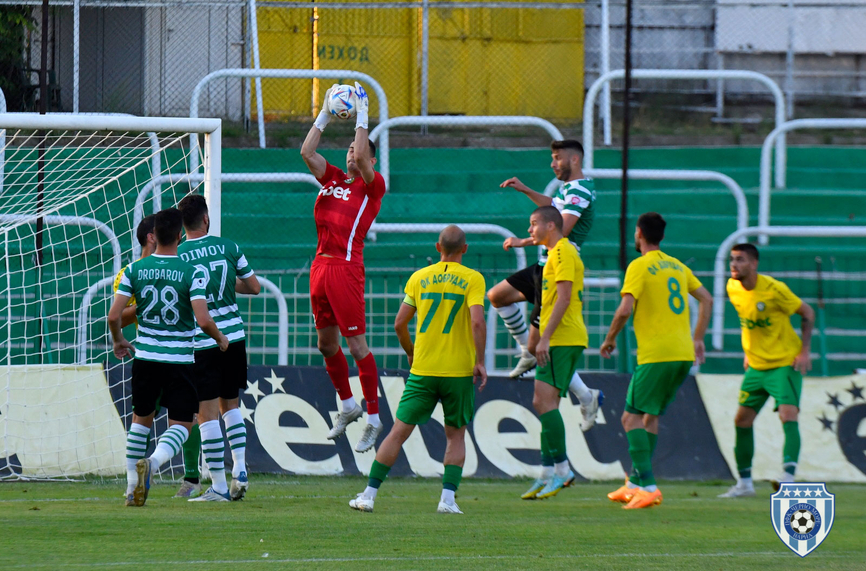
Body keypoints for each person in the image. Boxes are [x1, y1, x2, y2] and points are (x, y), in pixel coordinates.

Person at [349, 225, 486, 514]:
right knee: (456, 435)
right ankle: (447, 500)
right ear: (465, 249)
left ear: (438, 248)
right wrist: (480, 361)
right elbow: (476, 322)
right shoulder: (473, 279)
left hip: (423, 370)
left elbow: (399, 323)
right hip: (458, 372)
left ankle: (368, 495)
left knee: (398, 432)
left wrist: (411, 352)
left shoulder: (419, 278)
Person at [108, 208, 229, 507]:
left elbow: (113, 315)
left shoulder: (134, 271)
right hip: (179, 360)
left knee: (140, 422)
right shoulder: (192, 272)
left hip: (146, 358)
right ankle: (155, 462)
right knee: (182, 426)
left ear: (154, 236)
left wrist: (119, 340)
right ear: (178, 236)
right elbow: (203, 320)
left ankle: (131, 489)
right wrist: (220, 337)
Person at [487, 140, 602, 432]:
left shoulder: (581, 190)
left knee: (541, 352)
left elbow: (559, 228)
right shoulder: (567, 190)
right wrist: (525, 189)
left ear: (574, 159)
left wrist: (521, 240)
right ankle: (531, 352)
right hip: (544, 264)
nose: (553, 164)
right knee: (497, 296)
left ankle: (584, 396)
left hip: (555, 267)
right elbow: (551, 210)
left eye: (557, 158)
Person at [601, 212, 712, 509]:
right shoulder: (677, 266)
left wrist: (610, 338)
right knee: (651, 417)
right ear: (661, 236)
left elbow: (625, 309)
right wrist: (698, 337)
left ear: (638, 233)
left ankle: (648, 485)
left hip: (656, 355)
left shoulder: (639, 266)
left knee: (629, 417)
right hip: (683, 354)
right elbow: (707, 299)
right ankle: (635, 482)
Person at [301, 82, 386, 453]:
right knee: (325, 343)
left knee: (356, 345)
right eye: (350, 149)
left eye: (358, 150)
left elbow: (366, 162)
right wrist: (324, 114)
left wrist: (363, 117)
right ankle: (348, 406)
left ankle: (374, 417)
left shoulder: (373, 186)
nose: (353, 154)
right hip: (320, 265)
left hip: (347, 269)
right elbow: (307, 151)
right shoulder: (334, 177)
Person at [177, 194, 261, 502]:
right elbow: (254, 286)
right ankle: (240, 466)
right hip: (235, 337)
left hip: (202, 341)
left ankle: (220, 487)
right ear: (206, 219)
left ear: (183, 225)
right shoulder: (229, 247)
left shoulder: (179, 255)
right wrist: (227, 287)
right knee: (232, 405)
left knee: (207, 414)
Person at [718, 243, 814, 498]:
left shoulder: (775, 290)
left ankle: (789, 478)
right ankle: (745, 484)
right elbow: (749, 323)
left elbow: (807, 312)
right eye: (732, 260)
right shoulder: (732, 287)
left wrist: (804, 351)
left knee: (787, 415)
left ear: (754, 264)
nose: (734, 265)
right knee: (742, 420)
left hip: (784, 363)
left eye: (740, 260)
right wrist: (749, 353)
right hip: (757, 367)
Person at [519, 207, 587, 500]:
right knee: (546, 404)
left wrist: (544, 339)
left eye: (533, 224)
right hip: (555, 338)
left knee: (543, 402)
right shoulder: (554, 255)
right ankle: (547, 472)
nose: (530, 229)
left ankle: (562, 470)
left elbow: (564, 297)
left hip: (562, 338)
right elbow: (546, 303)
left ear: (551, 225)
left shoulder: (561, 252)